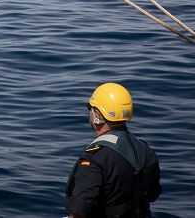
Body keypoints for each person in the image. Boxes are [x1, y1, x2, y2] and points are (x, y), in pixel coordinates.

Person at [66, 82, 161, 218]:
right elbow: (153, 194)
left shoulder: (95, 158)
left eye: (90, 108)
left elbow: (79, 211)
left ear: (97, 114)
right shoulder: (145, 150)